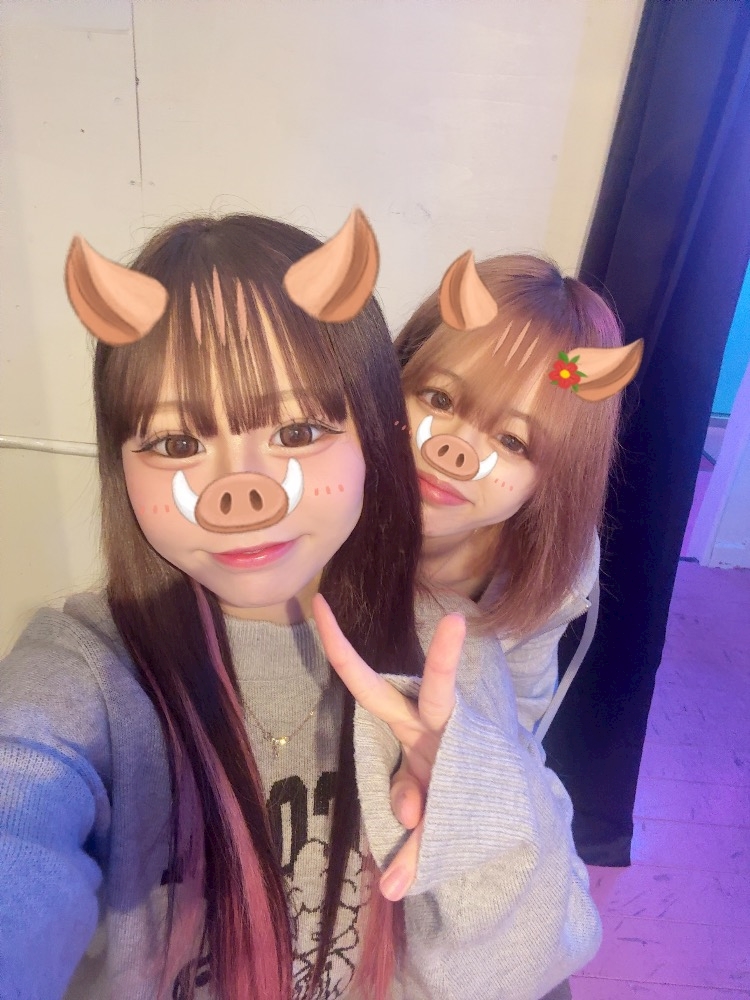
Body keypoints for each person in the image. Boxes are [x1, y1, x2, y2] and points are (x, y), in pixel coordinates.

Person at [0, 213, 601, 1000]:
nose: (239, 491)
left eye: (297, 429)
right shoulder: (87, 675)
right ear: (394, 398)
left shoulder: (488, 628)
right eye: (176, 443)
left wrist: (478, 798)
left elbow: (523, 916)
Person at [395, 251, 643, 735]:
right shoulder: (318, 503)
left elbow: (518, 719)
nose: (457, 452)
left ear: (553, 479)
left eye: (513, 441)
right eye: (439, 399)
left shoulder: (554, 566)